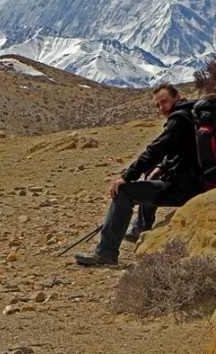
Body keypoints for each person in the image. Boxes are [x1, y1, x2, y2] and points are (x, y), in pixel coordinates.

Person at [74, 82, 204, 266]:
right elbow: (181, 152)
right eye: (158, 105)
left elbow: (154, 151)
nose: (161, 108)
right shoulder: (193, 114)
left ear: (177, 97)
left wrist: (126, 177)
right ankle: (140, 228)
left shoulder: (179, 120)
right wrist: (162, 167)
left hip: (186, 189)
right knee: (152, 171)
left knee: (124, 193)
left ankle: (105, 253)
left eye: (164, 102)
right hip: (199, 179)